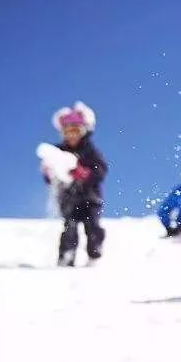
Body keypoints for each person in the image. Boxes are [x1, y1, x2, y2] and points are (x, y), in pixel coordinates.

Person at [49, 102, 107, 266]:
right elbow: (50, 172)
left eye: (75, 131)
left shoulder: (90, 150)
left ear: (83, 131)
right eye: (67, 132)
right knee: (70, 228)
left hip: (90, 198)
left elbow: (101, 169)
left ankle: (94, 254)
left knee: (92, 226)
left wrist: (86, 174)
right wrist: (50, 173)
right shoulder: (58, 151)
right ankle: (66, 257)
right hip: (68, 198)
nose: (72, 135)